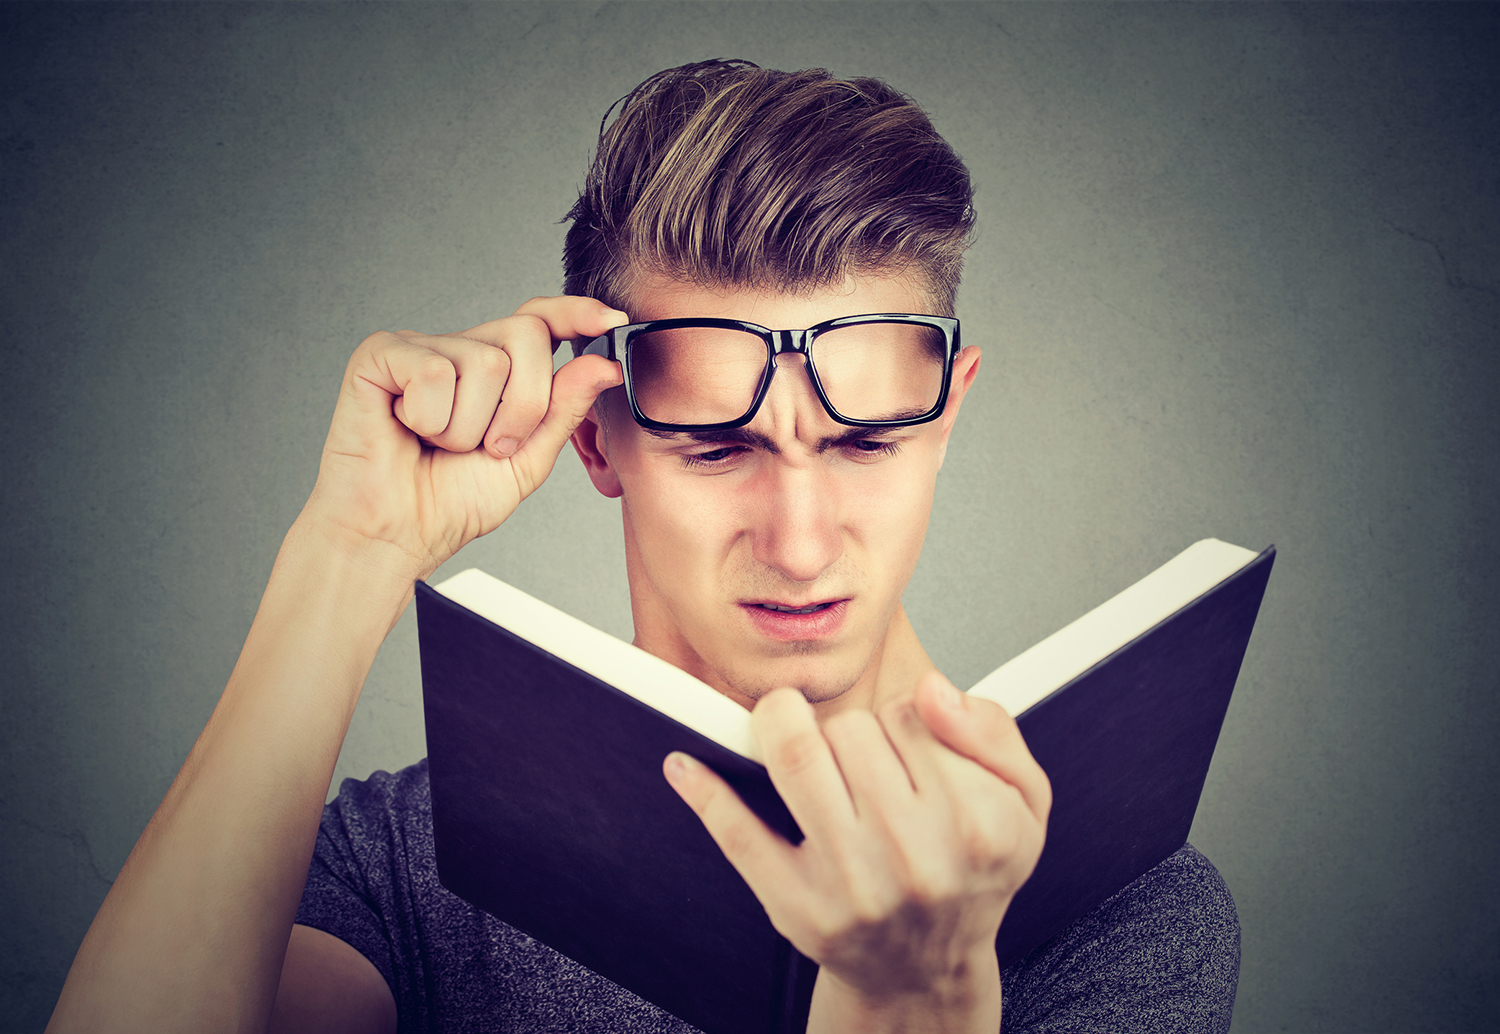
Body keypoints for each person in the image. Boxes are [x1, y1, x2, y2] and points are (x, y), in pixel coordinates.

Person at [46, 60, 1239, 1034]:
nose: (803, 539)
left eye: (865, 442)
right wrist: (348, 550)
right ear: (597, 437)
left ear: (947, 414)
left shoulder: (1122, 904)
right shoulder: (409, 863)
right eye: (718, 448)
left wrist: (919, 1002)